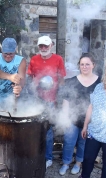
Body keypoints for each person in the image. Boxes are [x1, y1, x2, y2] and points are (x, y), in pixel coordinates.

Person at [27, 35, 66, 168]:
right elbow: (30, 77)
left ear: (51, 46)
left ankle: (48, 157)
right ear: (38, 47)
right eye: (41, 46)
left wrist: (59, 96)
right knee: (35, 127)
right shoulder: (34, 59)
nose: (43, 48)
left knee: (48, 129)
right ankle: (35, 154)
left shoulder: (58, 59)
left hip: (51, 100)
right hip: (36, 100)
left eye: (46, 46)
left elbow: (61, 78)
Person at [58, 53, 100, 176]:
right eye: (82, 64)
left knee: (83, 143)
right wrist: (65, 117)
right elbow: (66, 100)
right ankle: (66, 163)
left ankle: (78, 163)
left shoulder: (100, 83)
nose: (85, 66)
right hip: (72, 118)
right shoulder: (72, 81)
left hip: (91, 120)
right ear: (79, 66)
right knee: (69, 141)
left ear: (93, 65)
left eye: (87, 64)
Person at [0, 37, 26, 103]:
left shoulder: (21, 60)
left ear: (15, 50)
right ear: (1, 50)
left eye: (11, 53)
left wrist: (19, 87)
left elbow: (22, 78)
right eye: (6, 53)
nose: (8, 56)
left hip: (11, 101)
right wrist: (10, 77)